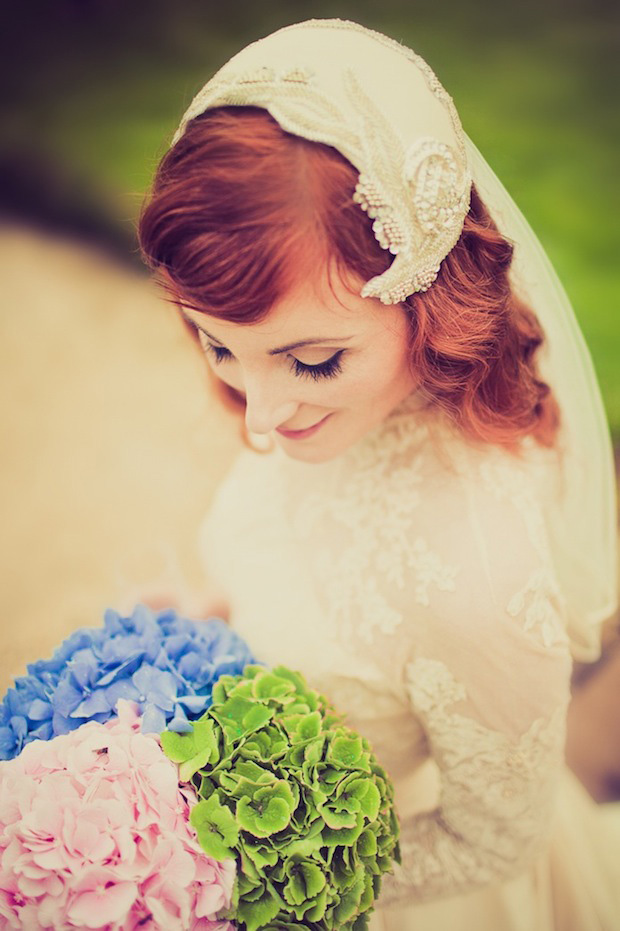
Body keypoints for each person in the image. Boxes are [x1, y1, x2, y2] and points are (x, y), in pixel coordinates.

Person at [138, 19, 620, 930]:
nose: (261, 414)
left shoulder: (482, 578)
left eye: (311, 360)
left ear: (430, 304)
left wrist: (222, 882)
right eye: (219, 345)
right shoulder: (324, 410)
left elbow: (494, 843)